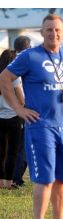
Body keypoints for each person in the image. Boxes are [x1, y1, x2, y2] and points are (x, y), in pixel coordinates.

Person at [0, 14, 63, 219]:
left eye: (57, 30)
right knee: (44, 178)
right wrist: (19, 110)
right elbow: (4, 79)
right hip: (41, 126)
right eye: (48, 30)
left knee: (62, 178)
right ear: (42, 32)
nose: (53, 34)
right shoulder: (29, 56)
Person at [0, 49, 24, 190]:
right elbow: (21, 99)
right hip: (14, 117)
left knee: (0, 151)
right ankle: (8, 182)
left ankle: (0, 182)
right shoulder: (15, 77)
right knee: (12, 152)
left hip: (0, 118)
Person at [12, 35, 31, 187]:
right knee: (22, 147)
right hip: (22, 110)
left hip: (6, 111)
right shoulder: (27, 60)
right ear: (28, 47)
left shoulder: (8, 60)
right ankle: (16, 177)